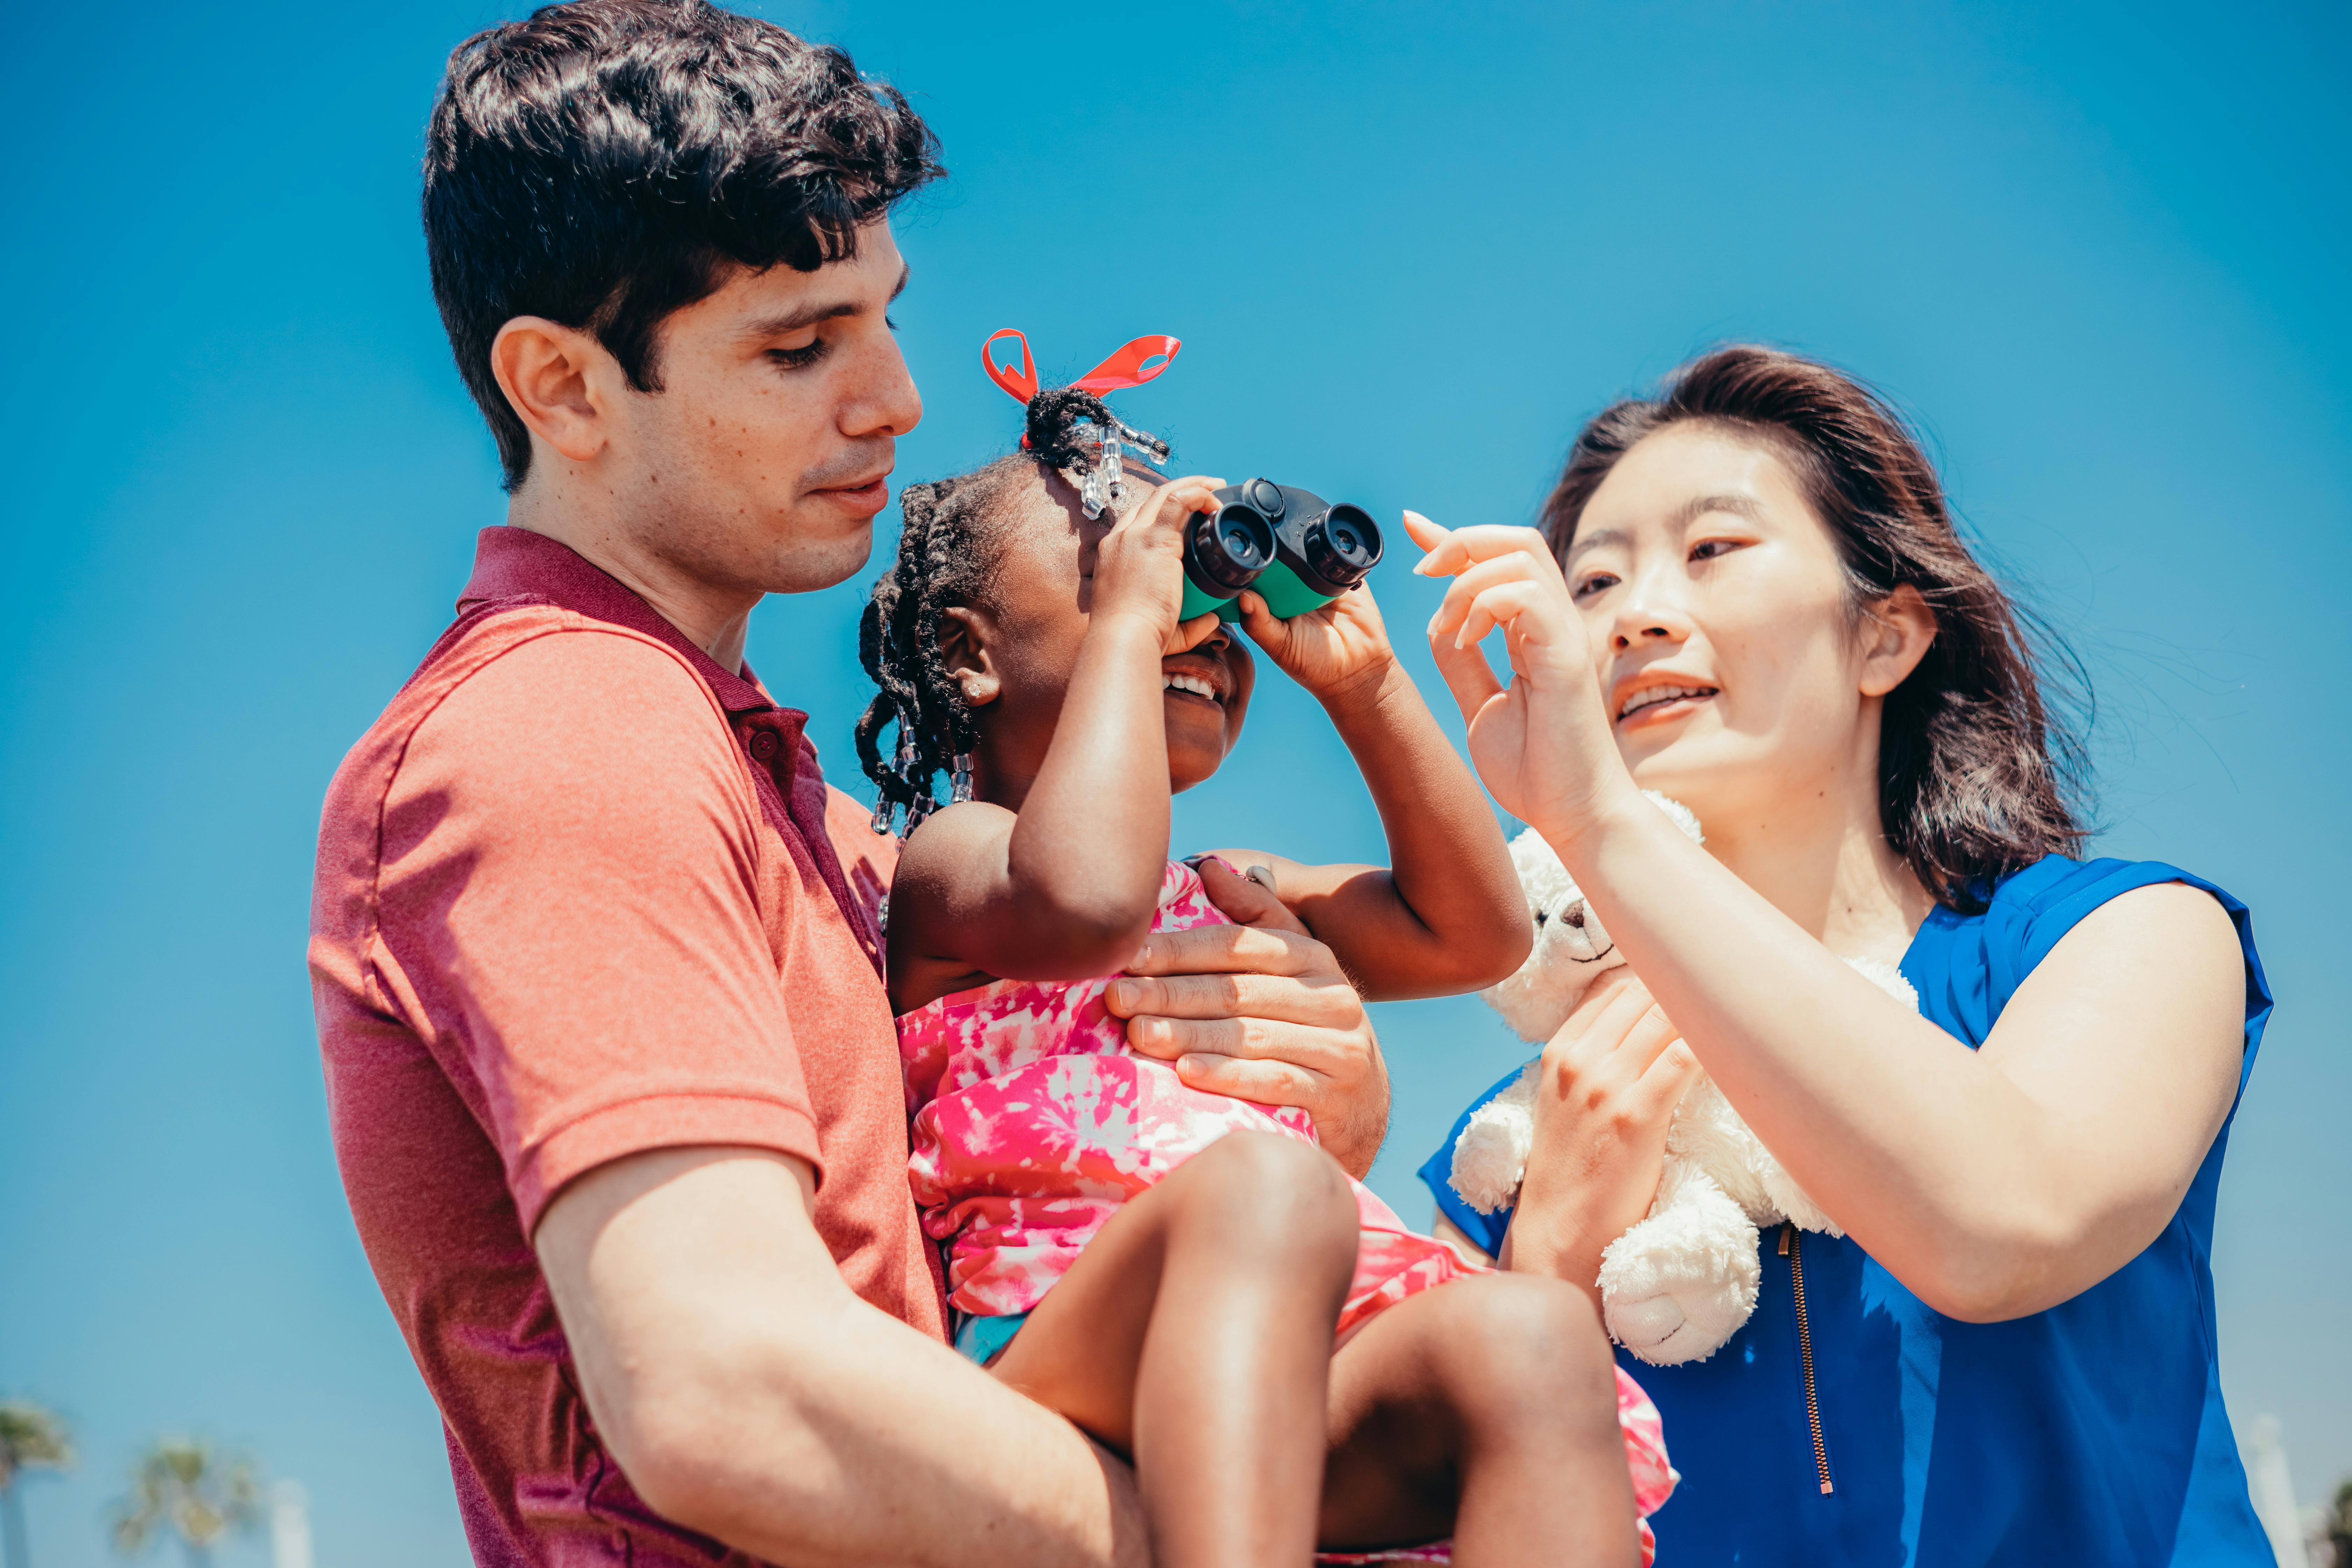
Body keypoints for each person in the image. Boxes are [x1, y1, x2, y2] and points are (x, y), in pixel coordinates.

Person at [309, 4, 1393, 1563]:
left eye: (884, 315)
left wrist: (1288, 1123)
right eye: (801, 345)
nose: (894, 398)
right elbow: (732, 1390)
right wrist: (1225, 1529)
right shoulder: (569, 727)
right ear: (561, 387)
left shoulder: (778, 787)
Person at [1409, 345, 2275, 1566]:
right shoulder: (1526, 1129)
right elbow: (1431, 1527)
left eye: (1713, 551)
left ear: (1888, 639)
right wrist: (1549, 1250)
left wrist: (1597, 825)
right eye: (1591, 585)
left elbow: (2002, 1221)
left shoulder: (2122, 937)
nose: (1634, 616)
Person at [860, 384, 1676, 1567]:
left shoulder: (1229, 884)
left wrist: (1364, 687)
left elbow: (1477, 936)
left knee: (1534, 1336)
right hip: (1059, 1358)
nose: (1194, 625)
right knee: (1272, 1192)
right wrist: (1138, 630)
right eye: (1124, 578)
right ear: (966, 655)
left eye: (1211, 597)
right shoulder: (960, 865)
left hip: (1304, 1383)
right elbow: (1083, 899)